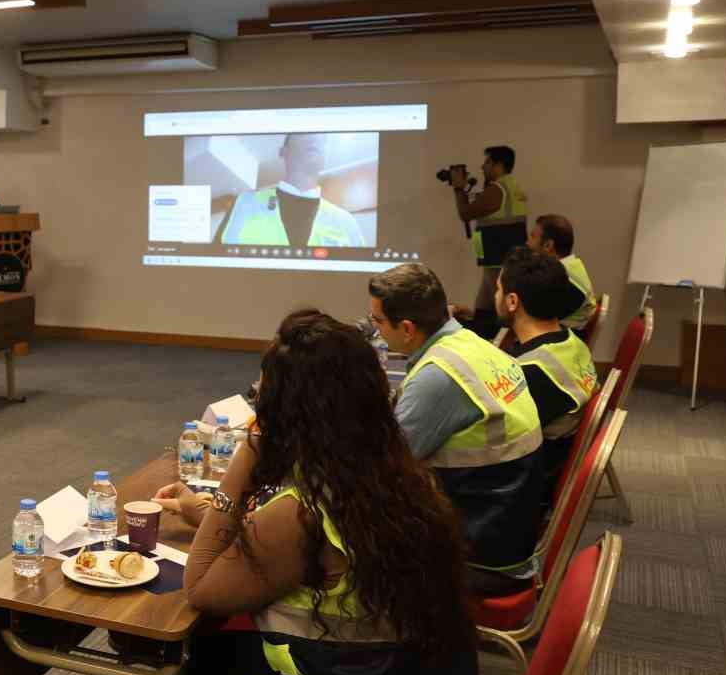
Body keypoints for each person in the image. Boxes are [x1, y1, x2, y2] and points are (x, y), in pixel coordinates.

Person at [143, 311, 479, 675]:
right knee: (206, 656)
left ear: (288, 414)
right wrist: (210, 513)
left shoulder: (301, 511)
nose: (257, 408)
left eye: (261, 398)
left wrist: (243, 465)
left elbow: (202, 587)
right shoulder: (397, 473)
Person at [369, 262, 544, 596]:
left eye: (378, 321)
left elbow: (379, 472)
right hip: (509, 525)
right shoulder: (470, 343)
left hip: (478, 555)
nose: (377, 331)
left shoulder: (439, 377)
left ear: (406, 328)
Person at [496, 247, 599, 506]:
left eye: (498, 289)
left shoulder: (530, 374)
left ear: (512, 301)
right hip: (544, 470)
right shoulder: (573, 343)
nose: (494, 295)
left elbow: (495, 442)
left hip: (517, 495)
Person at [219, 133, 366, 247]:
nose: (316, 139)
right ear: (283, 152)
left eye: (323, 140)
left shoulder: (346, 221)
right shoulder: (245, 202)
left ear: (325, 157)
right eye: (306, 133)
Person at [448, 145, 527, 338]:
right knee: (485, 308)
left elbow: (466, 213)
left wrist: (459, 187)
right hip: (501, 257)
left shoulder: (498, 189)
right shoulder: (511, 187)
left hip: (498, 259)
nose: (483, 167)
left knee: (497, 311)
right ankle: (483, 340)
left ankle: (492, 347)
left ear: (498, 164)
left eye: (487, 162)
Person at [528, 213, 597, 330]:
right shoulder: (571, 266)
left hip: (563, 342)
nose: (527, 243)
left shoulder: (567, 283)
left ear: (548, 245)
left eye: (533, 237)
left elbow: (538, 317)